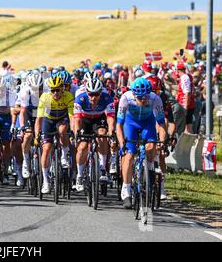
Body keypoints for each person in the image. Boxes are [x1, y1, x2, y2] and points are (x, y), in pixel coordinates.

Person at [116, 77, 167, 209]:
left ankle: (148, 173)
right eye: (140, 97)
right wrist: (122, 145)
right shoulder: (125, 98)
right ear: (134, 95)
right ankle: (126, 189)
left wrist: (162, 142)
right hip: (130, 124)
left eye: (145, 97)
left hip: (147, 124)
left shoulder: (155, 99)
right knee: (129, 155)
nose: (143, 100)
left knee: (151, 147)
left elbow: (161, 124)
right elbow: (119, 126)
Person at [74, 78, 115, 192]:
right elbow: (77, 119)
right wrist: (77, 133)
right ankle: (80, 175)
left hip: (99, 119)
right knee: (82, 147)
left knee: (102, 136)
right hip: (84, 120)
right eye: (91, 94)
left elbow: (111, 117)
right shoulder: (80, 98)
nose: (93, 97)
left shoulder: (107, 98)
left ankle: (102, 169)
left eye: (96, 94)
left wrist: (111, 132)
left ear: (100, 93)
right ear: (87, 92)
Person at [35, 75, 74, 194]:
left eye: (58, 89)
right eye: (53, 90)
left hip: (62, 119)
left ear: (63, 88)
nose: (55, 92)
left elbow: (72, 117)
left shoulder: (68, 96)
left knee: (63, 131)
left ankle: (64, 154)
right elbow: (39, 119)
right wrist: (37, 135)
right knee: (46, 149)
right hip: (49, 120)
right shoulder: (45, 98)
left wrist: (72, 131)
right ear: (49, 90)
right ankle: (45, 181)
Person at [176, 62, 196, 134]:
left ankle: (189, 144)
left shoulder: (184, 78)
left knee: (186, 128)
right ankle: (190, 143)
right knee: (188, 126)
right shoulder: (187, 76)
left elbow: (187, 93)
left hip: (185, 105)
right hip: (188, 104)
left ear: (177, 70)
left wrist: (185, 107)